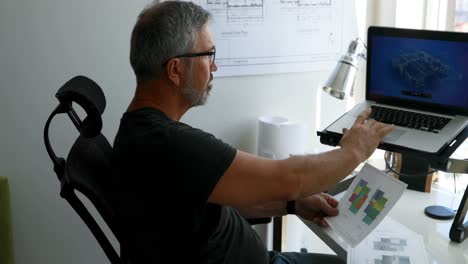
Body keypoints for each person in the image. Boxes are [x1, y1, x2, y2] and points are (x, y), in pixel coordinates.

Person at [110, 1, 394, 263]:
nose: (215, 66)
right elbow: (291, 177)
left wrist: (292, 205)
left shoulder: (142, 134)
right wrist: (355, 150)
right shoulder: (170, 145)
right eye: (208, 55)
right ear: (175, 69)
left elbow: (208, 206)